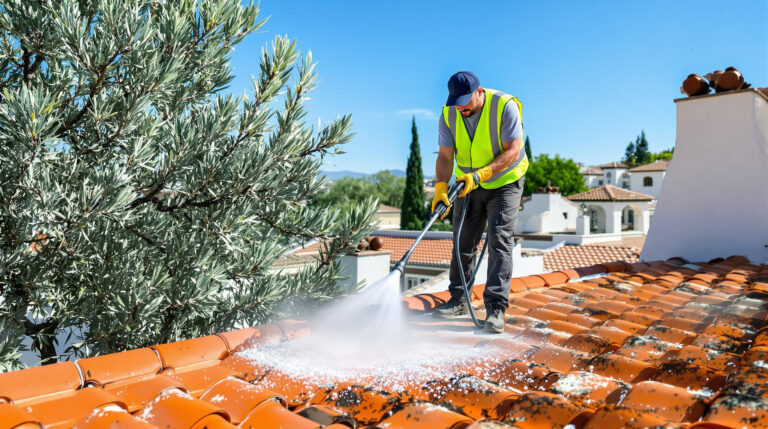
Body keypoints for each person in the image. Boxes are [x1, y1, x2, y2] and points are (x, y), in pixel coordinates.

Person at [431, 71, 527, 333]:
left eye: (465, 102)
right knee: (462, 241)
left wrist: (482, 174)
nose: (461, 108)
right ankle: (459, 300)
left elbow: (513, 150)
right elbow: (445, 155)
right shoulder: (449, 114)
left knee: (499, 240)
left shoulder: (504, 106)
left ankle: (496, 308)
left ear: (479, 92)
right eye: (456, 103)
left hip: (504, 182)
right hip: (468, 183)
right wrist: (441, 186)